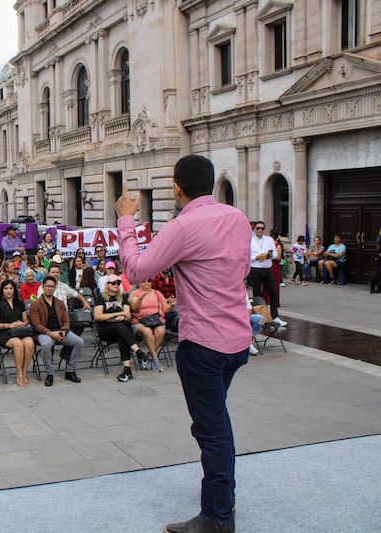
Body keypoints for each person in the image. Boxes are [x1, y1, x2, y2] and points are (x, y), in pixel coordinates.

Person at [115, 154, 251, 533]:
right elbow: (241, 270)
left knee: (212, 430)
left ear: (177, 187)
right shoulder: (237, 218)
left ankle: (218, 517)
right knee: (217, 423)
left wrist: (126, 219)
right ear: (211, 183)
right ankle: (224, 499)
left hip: (204, 344)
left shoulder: (183, 225)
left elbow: (136, 270)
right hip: (237, 339)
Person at [29, 275, 85, 386]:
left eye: (52, 287)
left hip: (60, 331)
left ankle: (70, 370)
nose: (50, 288)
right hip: (44, 333)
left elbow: (66, 321)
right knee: (46, 345)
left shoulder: (60, 303)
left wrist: (64, 331)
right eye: (47, 286)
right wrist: (50, 333)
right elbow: (36, 325)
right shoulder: (35, 304)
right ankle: (49, 373)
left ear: (55, 288)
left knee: (79, 342)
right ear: (43, 287)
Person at [93, 274, 149, 382]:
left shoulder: (122, 296)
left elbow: (128, 314)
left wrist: (123, 315)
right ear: (107, 284)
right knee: (118, 326)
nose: (116, 285)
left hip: (121, 330)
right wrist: (116, 314)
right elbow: (98, 316)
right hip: (105, 329)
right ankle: (139, 352)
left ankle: (127, 370)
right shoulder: (101, 297)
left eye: (118, 283)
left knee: (121, 334)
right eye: (113, 283)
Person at [0, 279, 35, 387]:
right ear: (2, 290)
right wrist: (9, 325)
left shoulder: (19, 303)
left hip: (20, 331)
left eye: (10, 288)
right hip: (4, 332)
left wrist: (21, 323)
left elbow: (26, 320)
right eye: (6, 288)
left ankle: (24, 370)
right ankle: (19, 372)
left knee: (30, 343)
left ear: (14, 290)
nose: (8, 291)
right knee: (18, 344)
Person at [129, 279, 173, 372]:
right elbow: (135, 309)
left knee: (161, 330)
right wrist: (140, 299)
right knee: (147, 332)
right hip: (140, 321)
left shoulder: (157, 293)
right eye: (143, 280)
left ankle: (149, 355)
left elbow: (165, 309)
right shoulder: (135, 293)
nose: (146, 282)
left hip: (157, 321)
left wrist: (171, 305)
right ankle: (155, 359)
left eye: (148, 280)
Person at [249, 222, 286, 327]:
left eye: (262, 228)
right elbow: (247, 256)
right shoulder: (250, 240)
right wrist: (256, 257)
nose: (260, 230)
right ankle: (259, 315)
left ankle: (275, 315)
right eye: (258, 228)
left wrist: (269, 256)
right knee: (257, 294)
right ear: (254, 229)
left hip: (267, 268)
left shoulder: (269, 240)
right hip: (256, 269)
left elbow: (275, 254)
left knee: (273, 293)